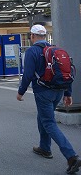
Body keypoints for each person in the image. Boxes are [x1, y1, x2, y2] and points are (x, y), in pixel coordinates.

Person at [17, 24, 81, 174]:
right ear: (45, 36)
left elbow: (28, 74)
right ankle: (44, 148)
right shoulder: (56, 50)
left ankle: (71, 156)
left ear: (32, 36)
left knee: (48, 122)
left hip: (43, 92)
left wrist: (21, 92)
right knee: (43, 117)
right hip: (58, 91)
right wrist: (68, 93)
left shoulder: (32, 51)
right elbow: (67, 72)